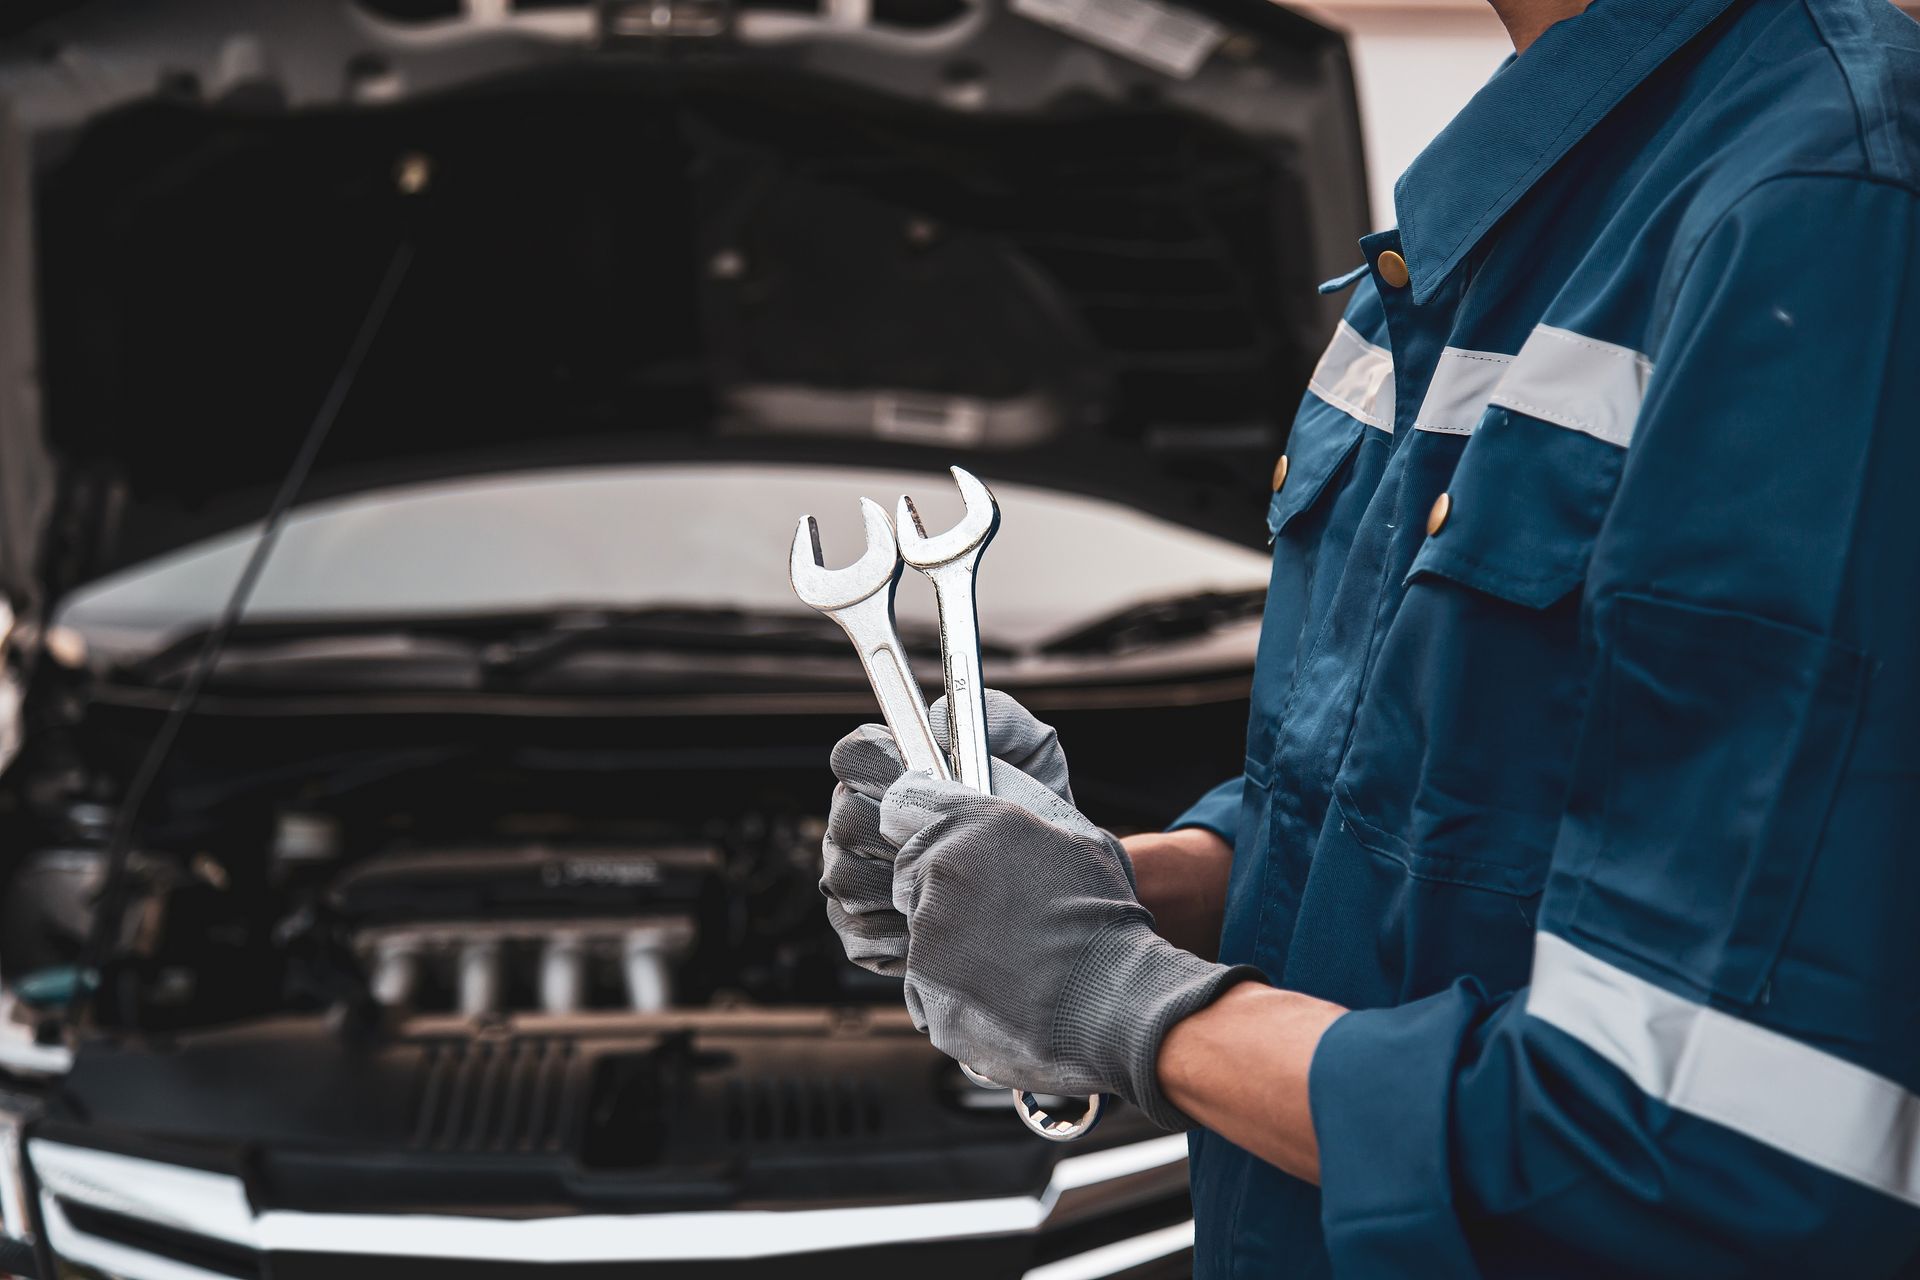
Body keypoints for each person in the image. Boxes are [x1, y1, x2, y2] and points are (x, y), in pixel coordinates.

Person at [819, 0, 1920, 1272]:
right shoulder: (1529, 206)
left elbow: (1698, 1141)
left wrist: (1123, 998)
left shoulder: (1825, 212)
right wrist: (1100, 884)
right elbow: (1461, 807)